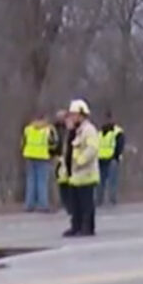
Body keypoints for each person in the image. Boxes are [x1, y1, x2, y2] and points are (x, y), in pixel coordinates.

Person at [63, 99, 100, 237]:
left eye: (74, 114)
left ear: (82, 115)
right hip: (75, 176)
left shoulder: (89, 130)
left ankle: (87, 227)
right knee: (75, 204)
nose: (72, 117)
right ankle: (76, 226)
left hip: (86, 174)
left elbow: (92, 148)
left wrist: (80, 161)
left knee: (86, 204)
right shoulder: (75, 131)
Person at [22, 115, 53, 212]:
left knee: (31, 181)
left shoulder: (28, 129)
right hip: (42, 156)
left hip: (29, 156)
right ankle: (43, 204)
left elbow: (23, 142)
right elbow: (53, 143)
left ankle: (29, 205)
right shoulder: (47, 130)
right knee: (42, 182)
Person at [97, 110, 126, 207]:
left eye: (108, 118)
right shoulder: (100, 132)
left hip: (112, 159)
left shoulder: (117, 132)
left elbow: (120, 145)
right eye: (105, 119)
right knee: (100, 181)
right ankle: (99, 200)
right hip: (100, 159)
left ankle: (112, 200)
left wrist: (116, 157)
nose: (106, 121)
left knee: (112, 181)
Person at [50, 110, 73, 216]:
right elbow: (52, 142)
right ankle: (59, 203)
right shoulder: (54, 129)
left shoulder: (71, 129)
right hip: (58, 157)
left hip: (69, 157)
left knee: (69, 182)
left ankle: (69, 204)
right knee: (59, 181)